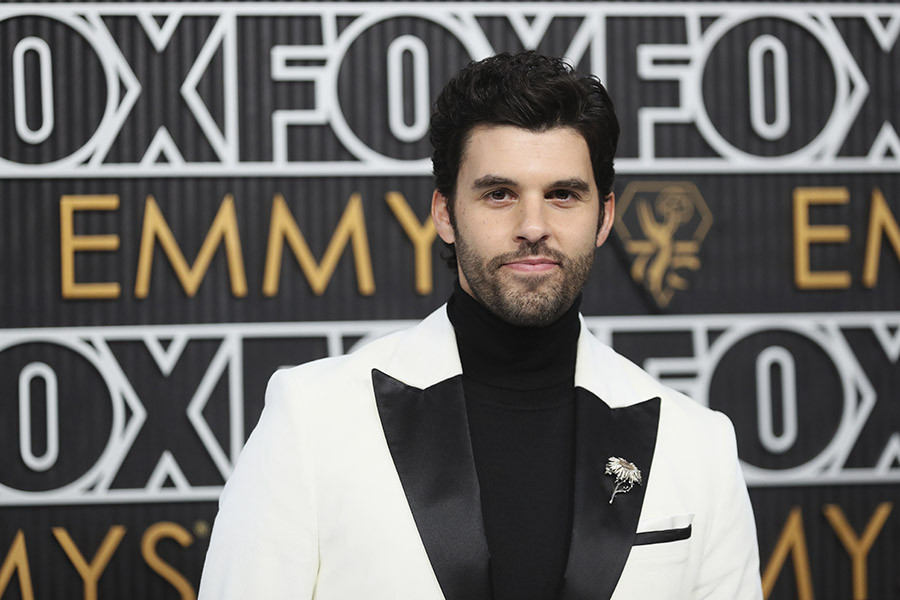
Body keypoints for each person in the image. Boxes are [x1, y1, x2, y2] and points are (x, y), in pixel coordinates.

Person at [198, 51, 762, 600]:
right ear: (445, 213)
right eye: (499, 194)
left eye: (563, 195)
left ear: (604, 217)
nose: (533, 226)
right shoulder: (312, 419)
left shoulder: (698, 445)